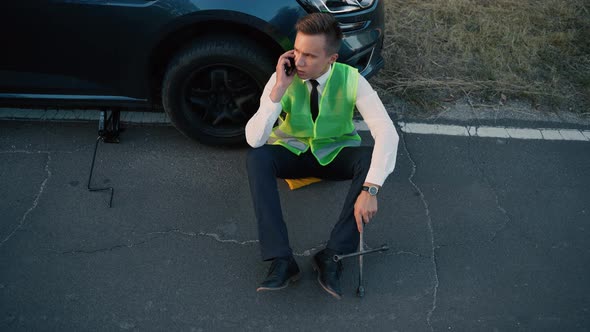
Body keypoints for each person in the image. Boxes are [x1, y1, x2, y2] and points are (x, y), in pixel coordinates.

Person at [245, 12, 399, 299]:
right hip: (293, 153)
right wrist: (278, 89)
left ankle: (333, 256)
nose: (299, 63)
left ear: (332, 59)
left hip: (333, 155)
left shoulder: (352, 80)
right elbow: (254, 139)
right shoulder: (283, 76)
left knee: (368, 160)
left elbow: (387, 133)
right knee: (257, 157)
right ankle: (281, 260)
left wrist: (371, 188)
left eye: (310, 56)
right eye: (297, 52)